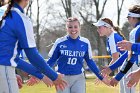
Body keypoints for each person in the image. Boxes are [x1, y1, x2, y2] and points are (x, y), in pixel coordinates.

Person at [0, 0, 67, 93]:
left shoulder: (3, 12)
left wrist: (41, 76)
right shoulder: (20, 18)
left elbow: (12, 58)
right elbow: (32, 55)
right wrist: (54, 76)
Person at [46, 17, 109, 93]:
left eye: (75, 27)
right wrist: (39, 73)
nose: (73, 29)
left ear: (79, 27)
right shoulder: (60, 42)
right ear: (66, 28)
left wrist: (101, 77)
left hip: (78, 78)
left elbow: (90, 62)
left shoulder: (85, 42)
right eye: (70, 27)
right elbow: (52, 60)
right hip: (62, 78)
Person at [93, 18, 131, 93]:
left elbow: (115, 58)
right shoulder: (111, 37)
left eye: (99, 27)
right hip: (124, 64)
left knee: (128, 91)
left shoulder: (112, 37)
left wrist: (104, 74)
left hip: (128, 64)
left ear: (107, 27)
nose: (98, 30)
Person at [109, 5, 140, 91]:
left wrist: (132, 46)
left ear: (134, 18)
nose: (128, 20)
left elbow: (130, 57)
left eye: (128, 17)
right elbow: (131, 56)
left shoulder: (136, 31)